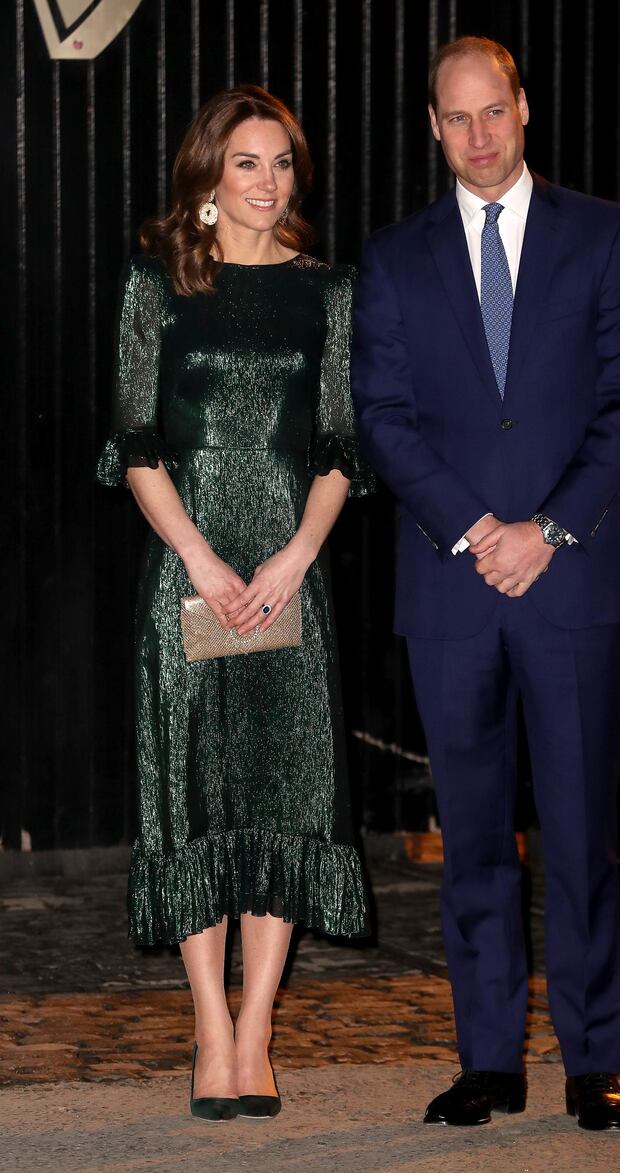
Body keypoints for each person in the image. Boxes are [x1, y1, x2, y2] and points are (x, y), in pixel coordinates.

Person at [351, 37, 620, 1132]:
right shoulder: (390, 259)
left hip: (571, 585)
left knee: (578, 834)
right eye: (456, 117)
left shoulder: (604, 235)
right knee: (472, 837)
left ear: (522, 109)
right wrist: (481, 529)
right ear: (432, 127)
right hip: (450, 589)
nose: (478, 135)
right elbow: (381, 417)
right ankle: (487, 1061)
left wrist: (549, 531)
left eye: (494, 111)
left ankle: (590, 1062)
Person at [97, 85, 372, 1122]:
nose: (267, 183)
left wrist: (295, 555)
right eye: (246, 163)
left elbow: (342, 444)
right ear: (207, 177)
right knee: (198, 796)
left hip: (289, 578)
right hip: (190, 573)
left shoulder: (328, 291)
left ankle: (257, 1031)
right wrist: (204, 562)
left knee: (282, 795)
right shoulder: (153, 285)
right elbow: (134, 443)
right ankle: (208, 1028)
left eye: (282, 164)